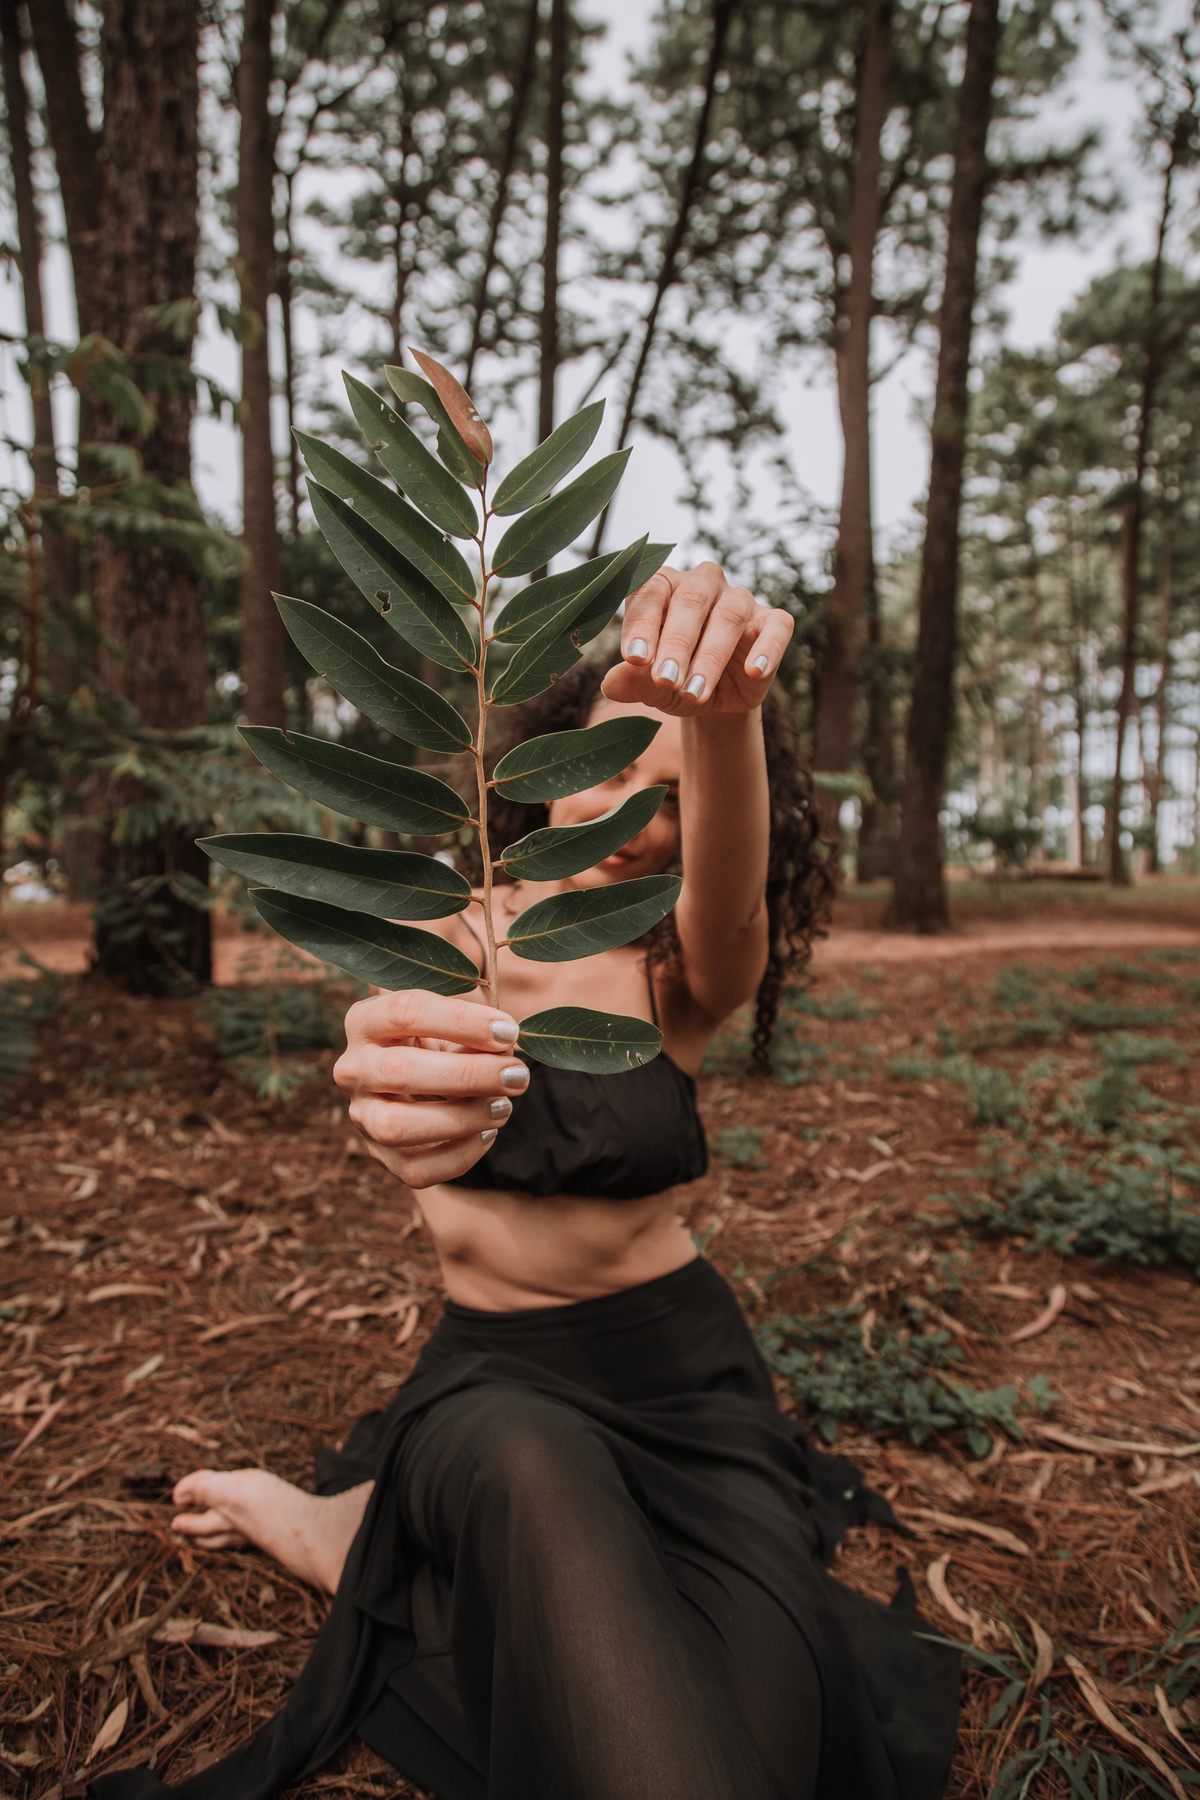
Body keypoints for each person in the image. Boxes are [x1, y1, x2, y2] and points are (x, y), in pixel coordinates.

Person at [98, 565, 958, 1800]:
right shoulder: (440, 940)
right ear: (541, 770)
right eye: (611, 768)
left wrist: (725, 723)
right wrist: (383, 1071)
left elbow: (731, 895)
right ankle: (350, 1524)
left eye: (669, 798)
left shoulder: (677, 973)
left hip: (688, 1389)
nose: (635, 815)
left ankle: (373, 1542)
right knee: (534, 1482)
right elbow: (384, 1034)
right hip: (495, 1385)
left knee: (766, 1744)